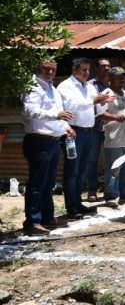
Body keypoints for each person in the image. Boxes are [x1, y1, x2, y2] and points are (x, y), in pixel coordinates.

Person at [21, 60, 75, 235]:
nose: (50, 72)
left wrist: (66, 127)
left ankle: (47, 216)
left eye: (53, 69)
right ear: (38, 68)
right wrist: (56, 115)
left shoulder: (53, 88)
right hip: (38, 141)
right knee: (37, 183)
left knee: (49, 183)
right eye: (47, 68)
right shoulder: (32, 86)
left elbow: (60, 114)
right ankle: (32, 221)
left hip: (52, 141)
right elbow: (30, 111)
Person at [57, 57, 114, 219]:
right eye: (83, 70)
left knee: (82, 170)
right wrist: (93, 100)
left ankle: (78, 202)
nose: (86, 73)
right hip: (73, 132)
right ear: (74, 70)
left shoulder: (88, 87)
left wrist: (105, 100)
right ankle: (71, 207)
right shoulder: (65, 86)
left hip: (89, 132)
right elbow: (70, 106)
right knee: (72, 170)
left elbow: (96, 109)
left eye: (88, 70)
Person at [98, 67, 125, 207]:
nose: (122, 79)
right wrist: (115, 117)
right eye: (119, 77)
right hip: (114, 138)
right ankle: (111, 195)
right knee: (113, 169)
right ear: (110, 79)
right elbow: (100, 113)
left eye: (124, 77)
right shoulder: (106, 94)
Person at [85, 58, 110, 202]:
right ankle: (92, 191)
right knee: (92, 160)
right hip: (94, 127)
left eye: (108, 66)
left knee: (111, 158)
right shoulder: (90, 85)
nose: (106, 68)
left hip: (111, 128)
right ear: (97, 68)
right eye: (103, 66)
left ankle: (110, 190)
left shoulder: (113, 83)